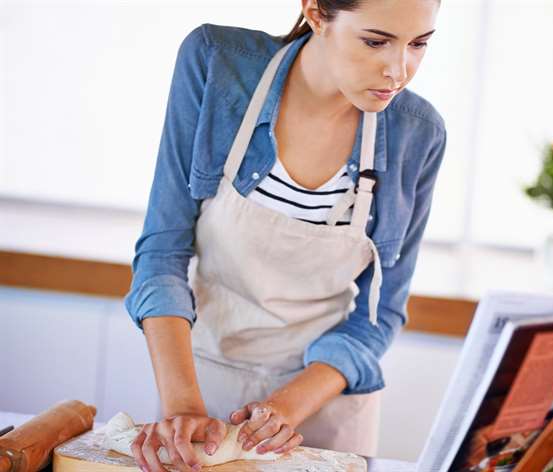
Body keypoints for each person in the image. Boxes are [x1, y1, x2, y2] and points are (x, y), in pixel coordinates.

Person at [124, 0, 446, 470]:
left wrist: (285, 409)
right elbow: (161, 252)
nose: (399, 71)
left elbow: (381, 313)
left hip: (324, 405)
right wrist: (183, 408)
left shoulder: (418, 133)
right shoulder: (217, 63)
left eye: (419, 44)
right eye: (375, 41)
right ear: (315, 13)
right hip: (199, 383)